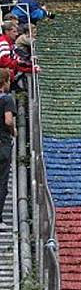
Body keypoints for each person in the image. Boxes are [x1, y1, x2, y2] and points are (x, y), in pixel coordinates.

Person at [0, 68, 15, 226]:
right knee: (2, 181)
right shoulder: (6, 99)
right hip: (2, 145)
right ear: (4, 82)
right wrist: (13, 131)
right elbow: (8, 120)